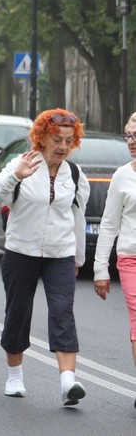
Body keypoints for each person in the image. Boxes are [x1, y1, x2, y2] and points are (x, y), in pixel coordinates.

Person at [0, 108, 89, 406]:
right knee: (18, 314)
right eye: (57, 139)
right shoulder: (22, 163)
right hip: (20, 252)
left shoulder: (75, 174)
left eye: (69, 140)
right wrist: (15, 176)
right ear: (41, 139)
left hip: (60, 255)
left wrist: (78, 259)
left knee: (63, 312)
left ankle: (68, 382)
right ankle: (14, 376)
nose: (63, 147)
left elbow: (77, 221)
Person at [94, 113, 136, 409]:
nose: (130, 142)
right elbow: (109, 224)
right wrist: (100, 269)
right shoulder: (122, 175)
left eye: (135, 136)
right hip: (131, 258)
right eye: (128, 136)